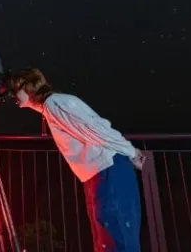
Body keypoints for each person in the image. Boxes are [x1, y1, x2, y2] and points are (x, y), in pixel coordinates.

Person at [9, 68, 146, 252]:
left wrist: (131, 151)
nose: (12, 95)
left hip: (108, 170)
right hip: (100, 173)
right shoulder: (52, 106)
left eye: (14, 89)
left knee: (117, 239)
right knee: (108, 240)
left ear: (27, 86)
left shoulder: (55, 104)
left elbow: (96, 129)